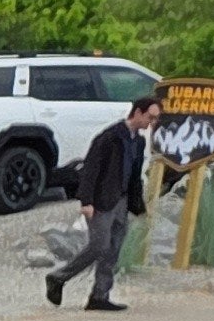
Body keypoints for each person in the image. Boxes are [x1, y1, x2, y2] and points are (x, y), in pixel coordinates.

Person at [48, 95, 160, 309]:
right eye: (150, 117)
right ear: (138, 112)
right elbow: (91, 169)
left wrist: (138, 205)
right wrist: (87, 201)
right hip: (102, 200)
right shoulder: (109, 137)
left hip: (122, 201)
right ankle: (59, 277)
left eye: (155, 119)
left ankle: (100, 295)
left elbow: (134, 175)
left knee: (113, 249)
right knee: (99, 245)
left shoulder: (138, 142)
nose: (151, 123)